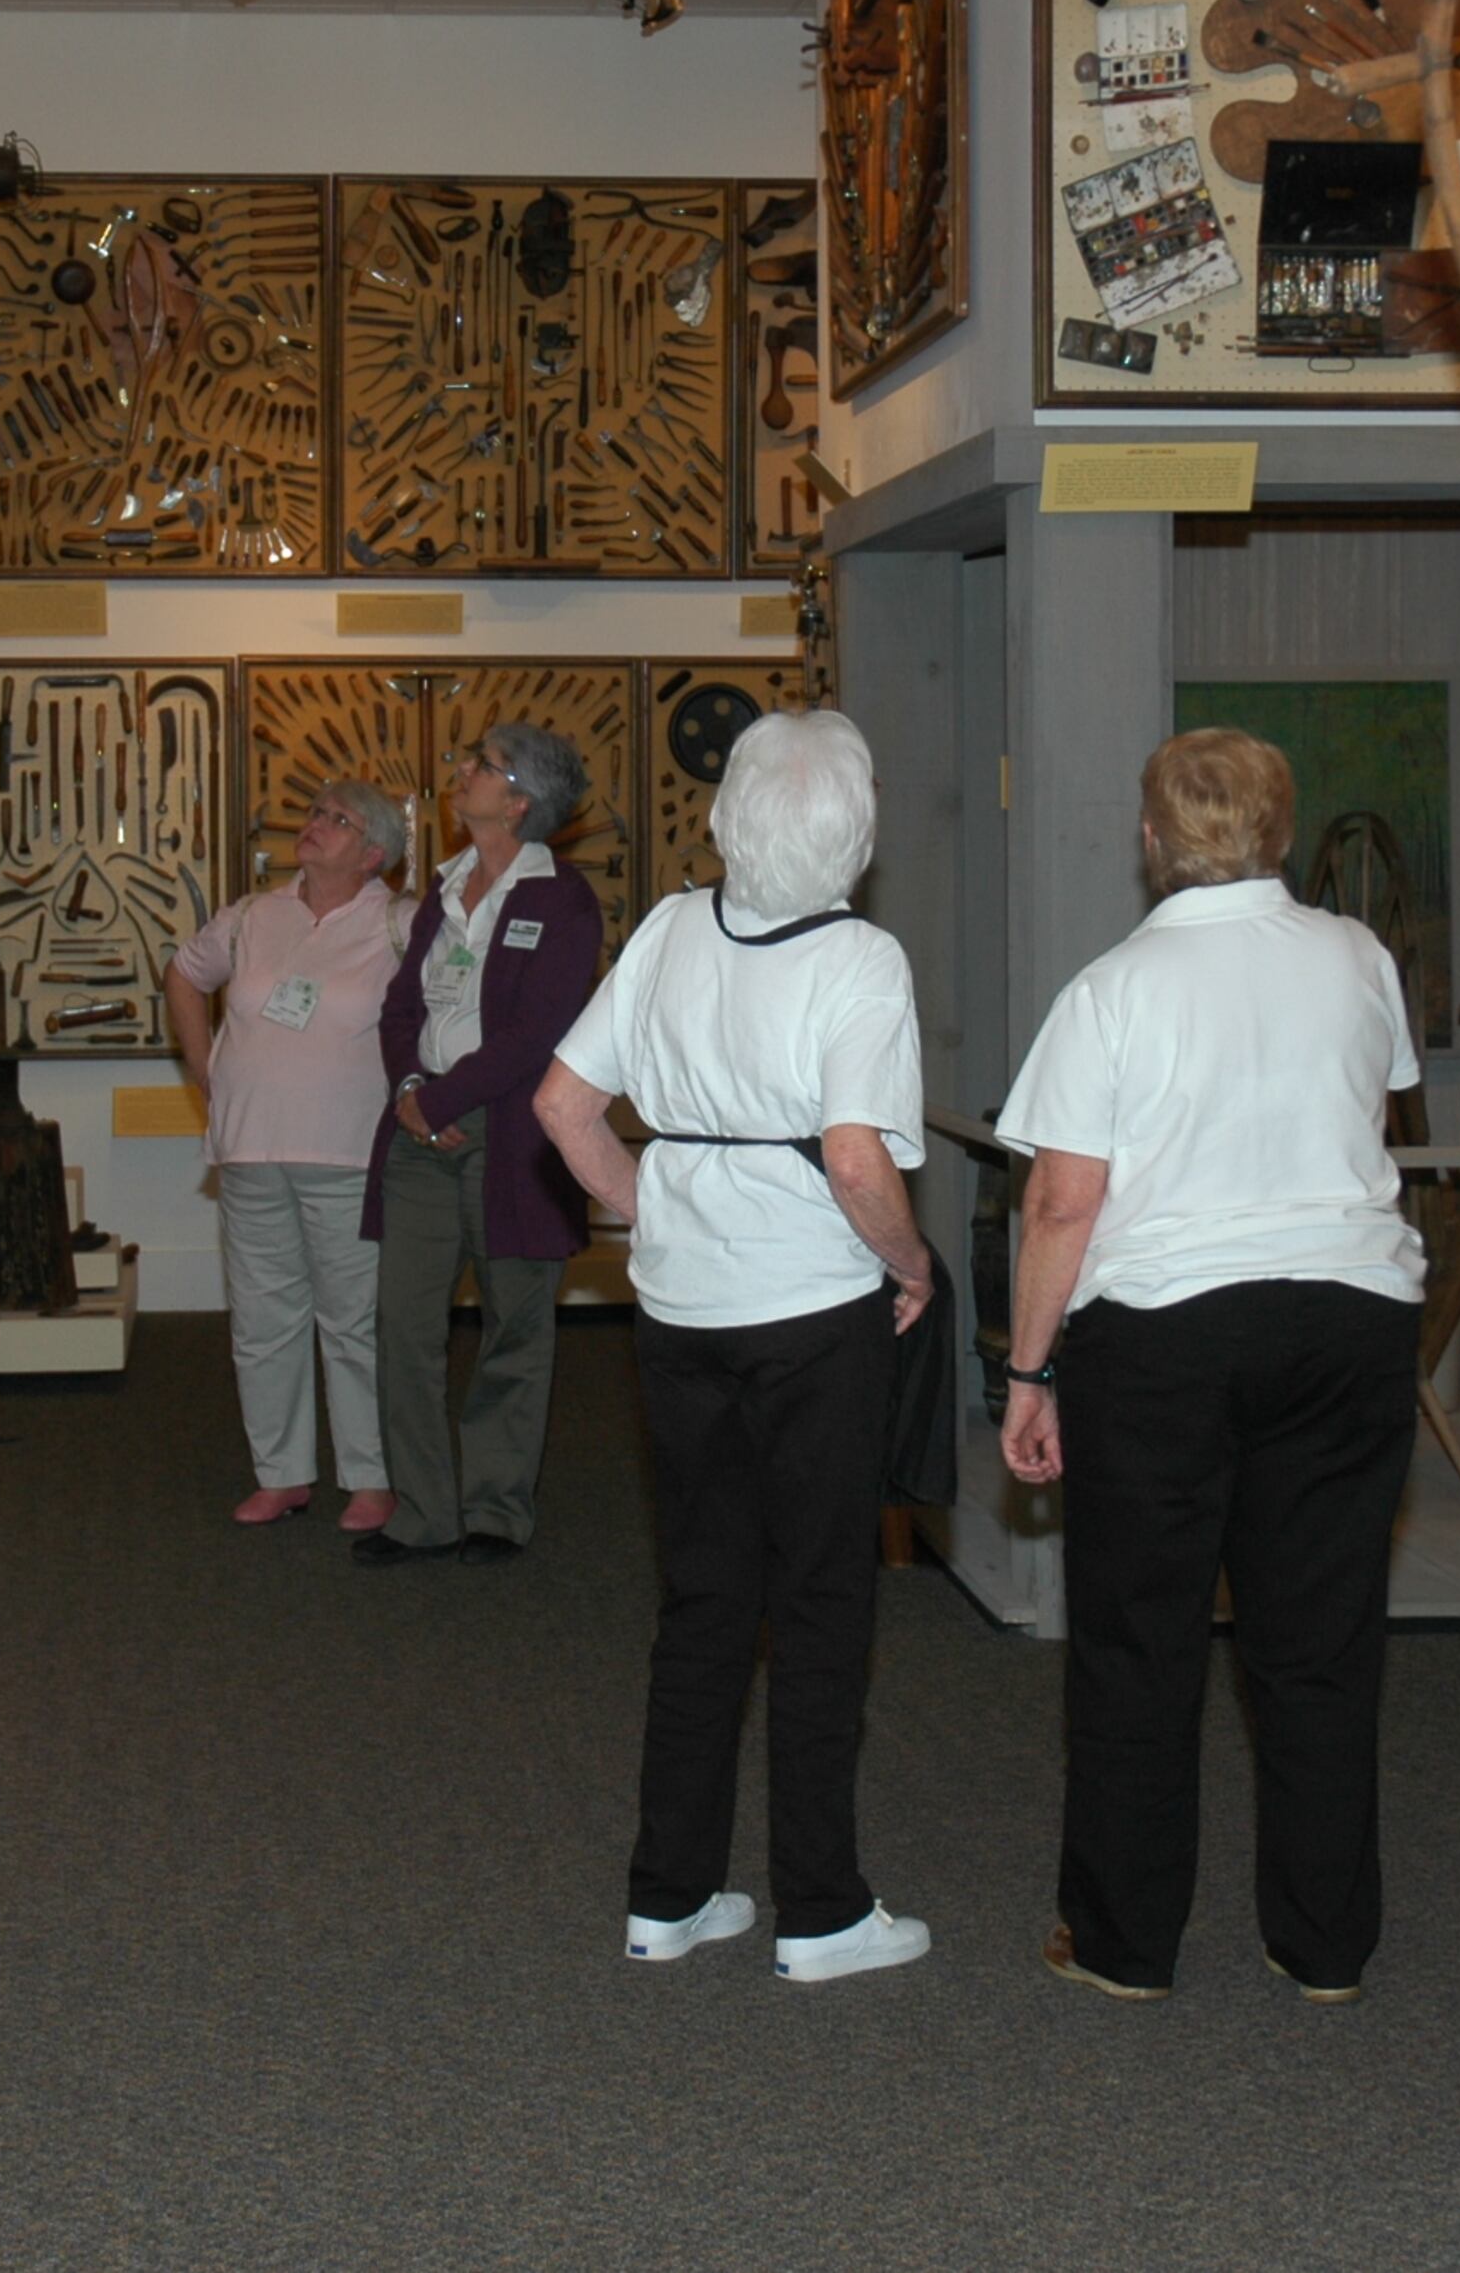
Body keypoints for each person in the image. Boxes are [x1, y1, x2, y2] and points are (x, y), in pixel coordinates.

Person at [991, 727, 1427, 2005]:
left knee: (1141, 1640)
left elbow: (1064, 1203)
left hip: (1168, 1337)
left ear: (1150, 841)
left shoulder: (1115, 989)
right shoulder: (1359, 958)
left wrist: (1027, 1375)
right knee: (1323, 1642)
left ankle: (1125, 1942)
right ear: (1280, 833)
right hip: (1348, 1322)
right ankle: (1325, 1941)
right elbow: (1366, 1112)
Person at [536, 708, 936, 1985]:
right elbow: (858, 1157)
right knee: (822, 1599)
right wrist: (912, 1266)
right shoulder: (863, 961)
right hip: (814, 1315)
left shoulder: (664, 930)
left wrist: (650, 1203)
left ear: (724, 819)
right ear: (859, 836)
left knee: (705, 1596)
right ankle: (821, 1912)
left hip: (680, 1313)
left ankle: (672, 1893)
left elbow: (562, 1104)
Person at [354, 723, 604, 1568]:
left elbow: (540, 1033)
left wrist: (441, 1098)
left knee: (514, 1329)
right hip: (422, 1127)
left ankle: (496, 1508)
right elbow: (400, 1009)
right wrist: (408, 1094)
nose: (461, 773)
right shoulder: (444, 887)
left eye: (482, 766)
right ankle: (421, 1513)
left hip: (512, 1137)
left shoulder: (562, 900)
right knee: (402, 1325)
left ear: (520, 800)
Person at [166, 781, 417, 1533]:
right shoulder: (253, 915)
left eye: (340, 821)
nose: (316, 825)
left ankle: (370, 1478)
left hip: (346, 1153)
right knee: (263, 1318)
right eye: (316, 812)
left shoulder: (398, 924)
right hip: (249, 1149)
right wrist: (204, 1072)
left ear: (374, 854)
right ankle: (281, 1474)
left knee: (353, 1320)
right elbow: (183, 973)